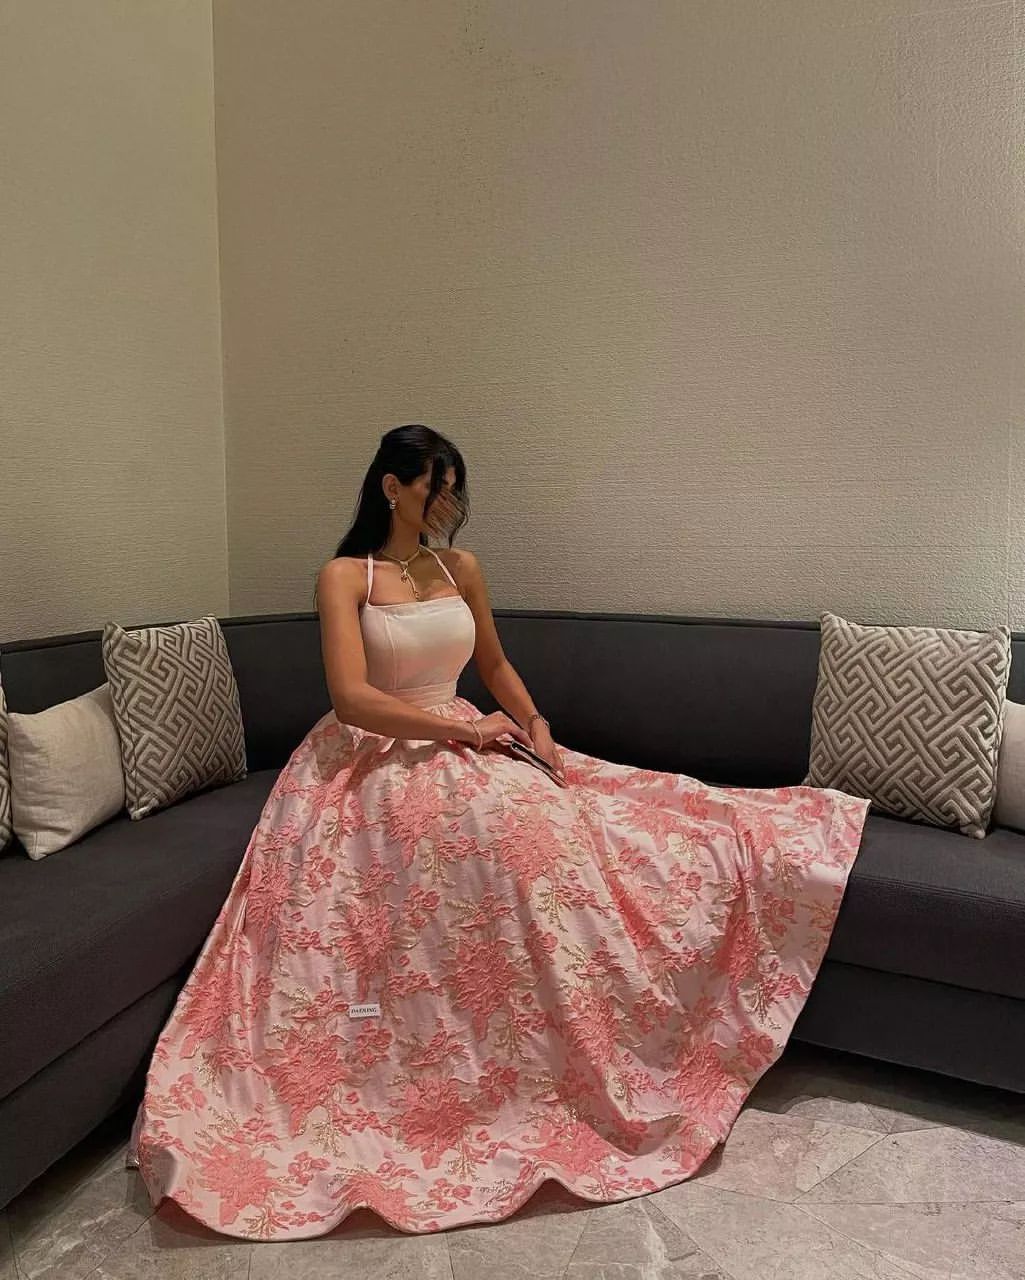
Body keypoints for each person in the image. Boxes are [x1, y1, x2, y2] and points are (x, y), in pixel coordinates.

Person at [125, 423, 870, 1241]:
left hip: (470, 736)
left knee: (564, 833)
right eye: (434, 487)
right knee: (489, 843)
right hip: (378, 754)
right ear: (391, 487)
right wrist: (462, 732)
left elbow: (495, 666)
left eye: (454, 489)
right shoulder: (344, 576)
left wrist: (535, 723)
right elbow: (351, 698)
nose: (447, 503)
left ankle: (602, 1038)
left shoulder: (460, 569)